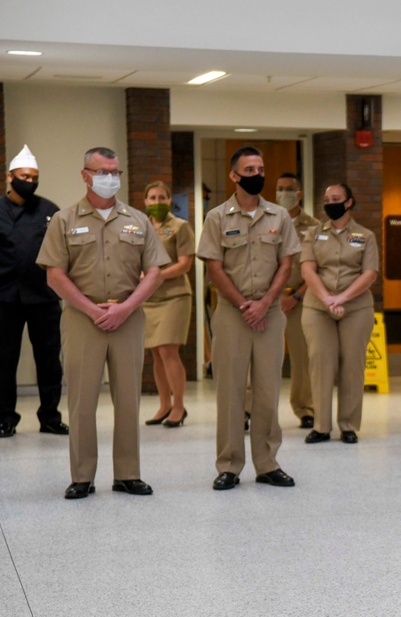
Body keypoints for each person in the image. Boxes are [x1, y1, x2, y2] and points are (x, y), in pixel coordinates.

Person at [36, 147, 168, 499]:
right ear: (85, 175)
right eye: (103, 171)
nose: (110, 178)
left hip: (128, 318)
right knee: (82, 399)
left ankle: (128, 473)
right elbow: (55, 276)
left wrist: (124, 309)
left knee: (128, 398)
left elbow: (154, 273)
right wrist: (94, 311)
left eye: (116, 172)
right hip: (83, 318)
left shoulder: (138, 221)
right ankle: (82, 476)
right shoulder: (64, 220)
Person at [197, 146, 300, 491]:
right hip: (231, 315)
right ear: (234, 176)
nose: (257, 174)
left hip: (269, 314)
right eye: (249, 169)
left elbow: (287, 263)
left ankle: (268, 464)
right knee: (231, 392)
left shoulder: (278, 217)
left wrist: (267, 301)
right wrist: (245, 305)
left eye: (260, 168)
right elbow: (214, 266)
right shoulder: (216, 217)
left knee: (268, 391)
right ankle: (229, 465)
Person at [299, 183, 378, 444]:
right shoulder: (313, 233)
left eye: (336, 199)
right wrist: (327, 299)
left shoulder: (365, 236)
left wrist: (342, 298)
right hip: (317, 307)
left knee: (352, 364)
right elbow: (308, 270)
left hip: (355, 308)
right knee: (320, 362)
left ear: (348, 203)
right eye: (326, 198)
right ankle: (321, 426)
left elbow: (369, 274)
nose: (329, 203)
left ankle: (348, 425)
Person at [0, 145, 68, 438]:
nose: (29, 181)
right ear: (9, 177)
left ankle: (50, 417)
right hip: (4, 298)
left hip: (43, 297)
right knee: (3, 361)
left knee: (50, 360)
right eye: (24, 176)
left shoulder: (49, 211)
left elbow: (62, 252)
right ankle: (4, 418)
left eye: (34, 177)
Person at [142, 181, 194, 428]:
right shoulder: (140, 228)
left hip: (175, 296)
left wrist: (157, 276)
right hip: (149, 299)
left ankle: (179, 406)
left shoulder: (181, 227)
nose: (157, 202)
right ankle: (164, 404)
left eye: (162, 197)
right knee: (155, 354)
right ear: (145, 202)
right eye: (152, 198)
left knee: (167, 351)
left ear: (170, 200)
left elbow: (185, 264)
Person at [275, 172, 321, 429]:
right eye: (279, 188)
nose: (283, 193)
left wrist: (298, 295)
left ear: (299, 193)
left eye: (289, 189)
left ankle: (306, 408)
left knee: (303, 357)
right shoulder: (266, 221)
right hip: (269, 299)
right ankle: (249, 410)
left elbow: (319, 267)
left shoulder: (313, 226)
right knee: (257, 356)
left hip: (300, 299)